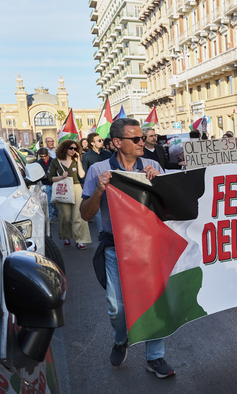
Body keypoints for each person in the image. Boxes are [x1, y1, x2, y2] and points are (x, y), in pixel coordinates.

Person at [80, 118, 175, 378]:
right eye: (136, 139)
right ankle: (121, 339)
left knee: (154, 303)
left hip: (149, 248)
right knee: (117, 307)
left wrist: (158, 185)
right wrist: (99, 190)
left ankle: (154, 357)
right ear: (118, 143)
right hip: (115, 248)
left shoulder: (153, 165)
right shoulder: (99, 169)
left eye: (142, 138)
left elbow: (170, 208)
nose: (142, 142)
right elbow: (86, 214)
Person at [48, 139, 92, 250]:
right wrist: (62, 177)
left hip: (76, 187)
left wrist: (78, 162)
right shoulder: (55, 161)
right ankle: (66, 236)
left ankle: (80, 240)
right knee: (65, 216)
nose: (73, 150)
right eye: (71, 148)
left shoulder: (76, 161)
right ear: (65, 148)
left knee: (78, 215)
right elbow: (51, 178)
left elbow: (81, 175)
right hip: (63, 188)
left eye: (75, 148)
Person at [82, 132, 112, 235]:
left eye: (102, 140)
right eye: (99, 141)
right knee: (98, 210)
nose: (102, 142)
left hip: (109, 185)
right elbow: (85, 172)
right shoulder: (86, 156)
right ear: (92, 143)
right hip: (94, 185)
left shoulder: (108, 154)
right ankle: (101, 231)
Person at [37, 148, 55, 223]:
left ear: (48, 154)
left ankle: (59, 216)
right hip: (45, 184)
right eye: (41, 156)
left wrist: (47, 175)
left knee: (57, 202)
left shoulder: (53, 161)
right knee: (48, 202)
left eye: (44, 156)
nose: (43, 158)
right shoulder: (38, 163)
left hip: (54, 183)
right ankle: (50, 217)